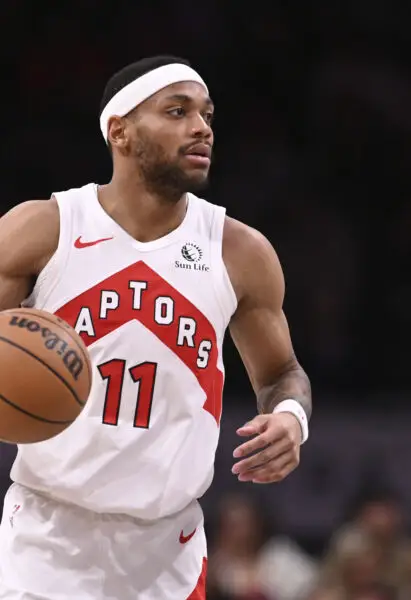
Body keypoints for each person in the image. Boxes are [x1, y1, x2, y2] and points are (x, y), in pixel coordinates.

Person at [0, 55, 312, 599]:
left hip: (167, 549)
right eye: (177, 111)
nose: (202, 127)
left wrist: (289, 417)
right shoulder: (44, 229)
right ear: (119, 132)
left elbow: (283, 372)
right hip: (47, 538)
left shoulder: (238, 251)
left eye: (207, 115)